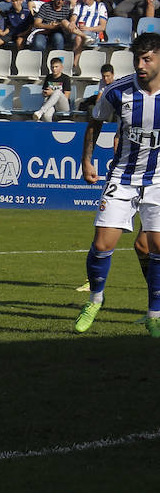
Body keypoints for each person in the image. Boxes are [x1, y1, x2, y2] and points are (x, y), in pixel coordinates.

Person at [76, 33, 160, 336]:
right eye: (137, 58)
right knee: (102, 244)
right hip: (122, 177)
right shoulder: (117, 91)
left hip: (158, 181)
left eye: (147, 58)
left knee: (155, 246)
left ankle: (154, 313)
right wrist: (87, 160)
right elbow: (95, 122)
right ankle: (95, 299)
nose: (140, 64)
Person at [35, 57, 71, 121]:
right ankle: (48, 129)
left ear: (61, 67)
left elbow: (66, 96)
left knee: (57, 92)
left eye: (56, 67)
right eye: (52, 67)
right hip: (50, 104)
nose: (54, 69)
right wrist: (45, 93)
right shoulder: (48, 77)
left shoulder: (66, 78)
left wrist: (52, 92)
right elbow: (44, 93)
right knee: (46, 116)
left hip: (62, 106)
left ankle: (40, 111)